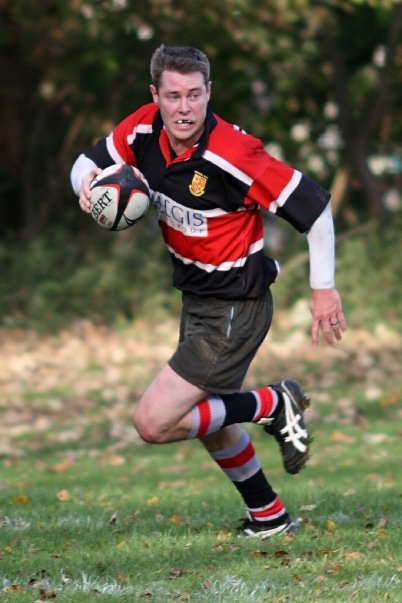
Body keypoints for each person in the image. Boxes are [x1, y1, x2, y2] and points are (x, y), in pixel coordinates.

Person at [71, 44, 346, 539]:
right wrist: (87, 186)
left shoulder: (234, 154)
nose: (184, 108)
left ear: (208, 92)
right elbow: (85, 163)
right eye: (173, 96)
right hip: (198, 300)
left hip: (235, 307)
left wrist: (322, 289)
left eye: (194, 95)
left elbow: (316, 211)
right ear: (155, 95)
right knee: (206, 420)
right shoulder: (142, 129)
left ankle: (272, 404)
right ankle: (269, 516)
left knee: (154, 422)